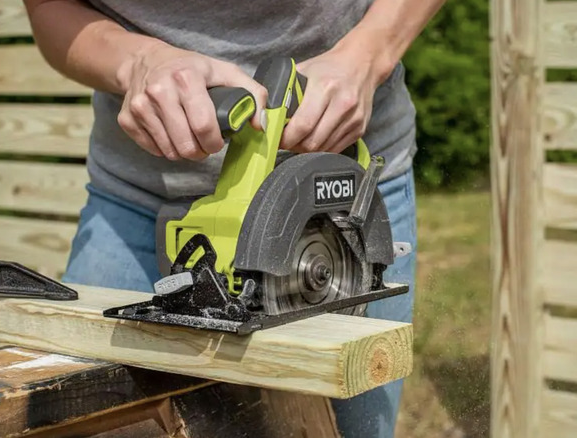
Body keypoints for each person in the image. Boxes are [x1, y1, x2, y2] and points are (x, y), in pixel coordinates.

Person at [23, 1, 446, 436]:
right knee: (85, 415)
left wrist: (368, 54)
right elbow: (49, 7)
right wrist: (138, 62)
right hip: (138, 194)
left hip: (347, 192)